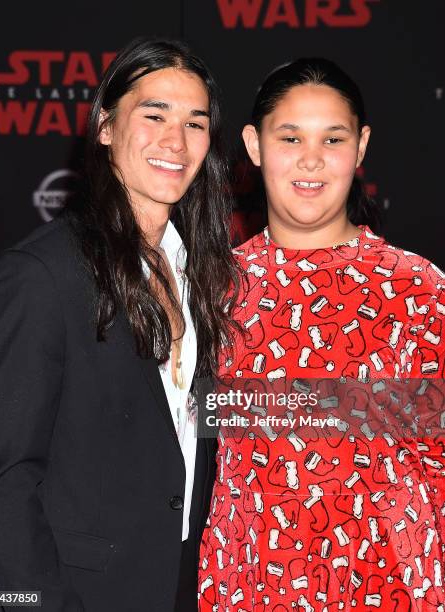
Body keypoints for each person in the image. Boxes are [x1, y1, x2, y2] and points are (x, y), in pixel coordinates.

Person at [0, 37, 239, 612]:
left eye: (196, 123)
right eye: (154, 114)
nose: (176, 140)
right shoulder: (40, 274)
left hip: (182, 586)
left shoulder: (204, 270)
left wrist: (386, 405)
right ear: (105, 127)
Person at [198, 58, 445, 610]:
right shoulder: (212, 289)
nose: (311, 158)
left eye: (332, 138)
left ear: (360, 148)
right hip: (249, 582)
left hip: (391, 585)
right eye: (290, 137)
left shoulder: (416, 289)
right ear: (253, 145)